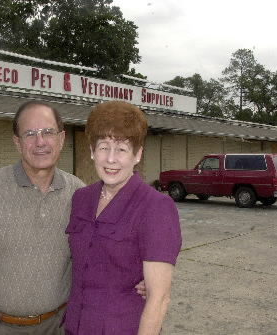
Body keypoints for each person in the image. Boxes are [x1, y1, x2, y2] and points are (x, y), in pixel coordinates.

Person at [0, 101, 85, 335]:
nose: (40, 142)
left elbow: (99, 254)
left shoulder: (80, 194)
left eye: (48, 132)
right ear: (17, 142)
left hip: (59, 327)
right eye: (30, 133)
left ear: (61, 139)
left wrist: (137, 278)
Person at [64, 101, 182, 335]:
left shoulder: (156, 207)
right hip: (75, 326)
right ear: (91, 151)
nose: (110, 159)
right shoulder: (81, 198)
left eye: (121, 149)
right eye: (103, 147)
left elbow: (159, 300)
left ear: (137, 154)